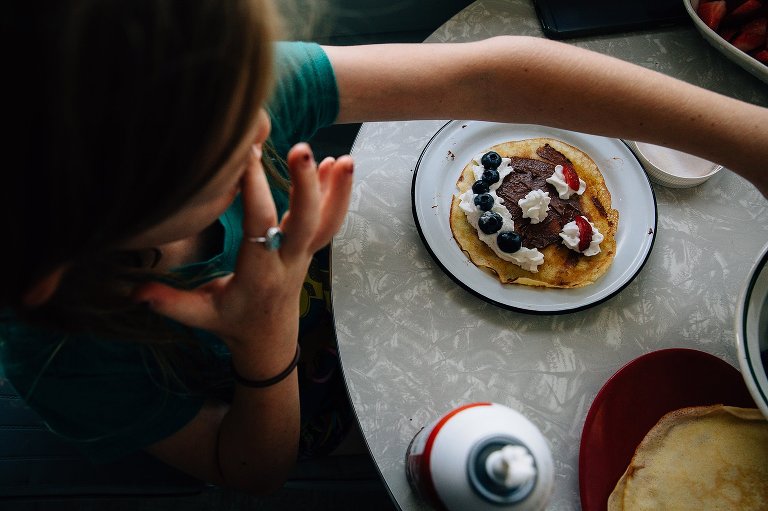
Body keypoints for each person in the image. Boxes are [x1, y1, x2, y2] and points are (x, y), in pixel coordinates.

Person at [2, 0, 767, 497]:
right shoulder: (59, 352)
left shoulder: (208, 90)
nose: (263, 128)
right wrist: (265, 324)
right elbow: (248, 468)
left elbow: (487, 75)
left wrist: (751, 141)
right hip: (283, 407)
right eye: (224, 154)